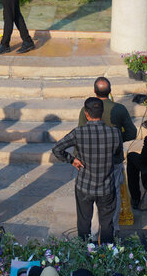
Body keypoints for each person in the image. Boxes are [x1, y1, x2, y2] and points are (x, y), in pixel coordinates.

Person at [52, 97, 122, 244]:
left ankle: (85, 252)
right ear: (102, 112)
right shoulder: (115, 133)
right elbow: (117, 156)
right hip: (106, 186)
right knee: (107, 223)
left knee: (84, 223)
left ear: (86, 114)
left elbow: (57, 149)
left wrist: (72, 160)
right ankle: (107, 254)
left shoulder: (78, 132)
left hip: (84, 186)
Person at [78, 77, 137, 232]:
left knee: (89, 195)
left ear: (94, 91)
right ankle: (112, 229)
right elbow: (132, 133)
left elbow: (80, 135)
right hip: (113, 159)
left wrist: (77, 158)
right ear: (110, 91)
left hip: (90, 160)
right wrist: (115, 141)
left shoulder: (86, 109)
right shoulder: (119, 109)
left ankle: (92, 232)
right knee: (113, 195)